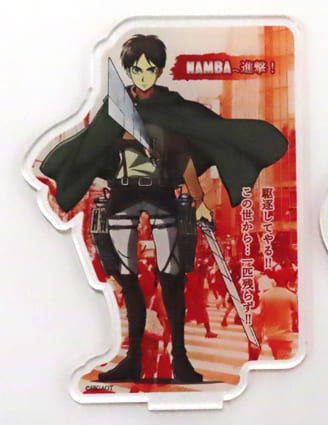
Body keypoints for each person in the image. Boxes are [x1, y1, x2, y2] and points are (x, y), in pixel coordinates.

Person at [40, 34, 287, 383]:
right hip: (122, 194)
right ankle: (134, 359)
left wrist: (199, 201)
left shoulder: (172, 108)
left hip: (162, 193)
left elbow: (184, 157)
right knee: (128, 279)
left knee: (172, 279)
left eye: (150, 69)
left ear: (159, 70)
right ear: (128, 70)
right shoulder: (115, 108)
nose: (143, 76)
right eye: (136, 70)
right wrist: (67, 185)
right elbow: (91, 149)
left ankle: (180, 360)